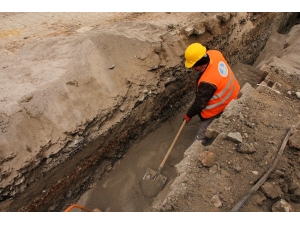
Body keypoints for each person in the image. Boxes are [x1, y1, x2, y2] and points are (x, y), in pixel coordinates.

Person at [183, 43, 240, 144]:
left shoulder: (208, 81)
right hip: (233, 92)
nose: (193, 69)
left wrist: (189, 115)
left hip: (220, 105)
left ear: (202, 64)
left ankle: (199, 146)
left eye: (194, 66)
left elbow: (200, 103)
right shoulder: (214, 53)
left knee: (199, 138)